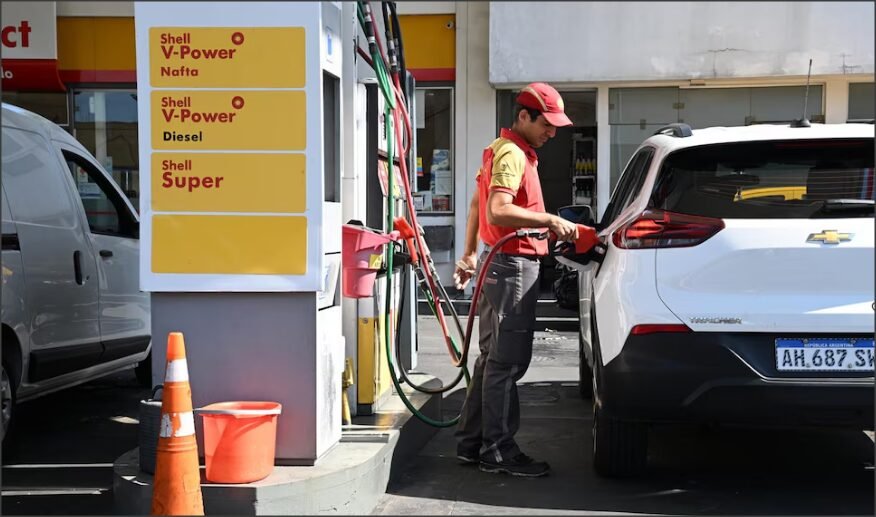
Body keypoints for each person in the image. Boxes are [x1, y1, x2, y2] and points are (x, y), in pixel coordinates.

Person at [452, 82, 578, 477]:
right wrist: (550, 219)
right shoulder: (512, 154)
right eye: (546, 124)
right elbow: (497, 209)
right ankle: (498, 451)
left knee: (491, 360)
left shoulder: (500, 149)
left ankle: (472, 443)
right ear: (523, 116)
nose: (551, 132)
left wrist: (470, 254)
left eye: (555, 125)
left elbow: (478, 203)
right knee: (507, 364)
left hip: (497, 263)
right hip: (513, 266)